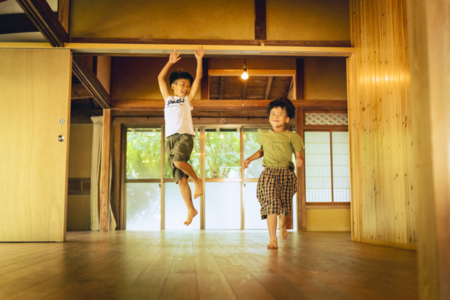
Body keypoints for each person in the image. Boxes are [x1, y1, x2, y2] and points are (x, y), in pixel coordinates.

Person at [243, 98, 304, 249]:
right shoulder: (264, 134)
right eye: (272, 114)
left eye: (280, 114)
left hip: (286, 173)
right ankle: (272, 239)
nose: (276, 117)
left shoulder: (293, 136)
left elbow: (298, 154)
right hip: (269, 172)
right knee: (271, 204)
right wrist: (249, 159)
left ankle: (283, 224)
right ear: (269, 117)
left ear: (287, 118)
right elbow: (261, 151)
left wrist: (299, 160)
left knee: (284, 206)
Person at [157, 47, 205, 226]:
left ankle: (198, 180)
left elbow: (199, 78)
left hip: (185, 136)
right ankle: (191, 209)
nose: (186, 88)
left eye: (188, 85)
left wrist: (199, 59)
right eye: (182, 84)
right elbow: (160, 78)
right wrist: (170, 62)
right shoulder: (167, 98)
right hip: (170, 139)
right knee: (179, 177)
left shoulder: (187, 100)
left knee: (178, 162)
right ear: (174, 86)